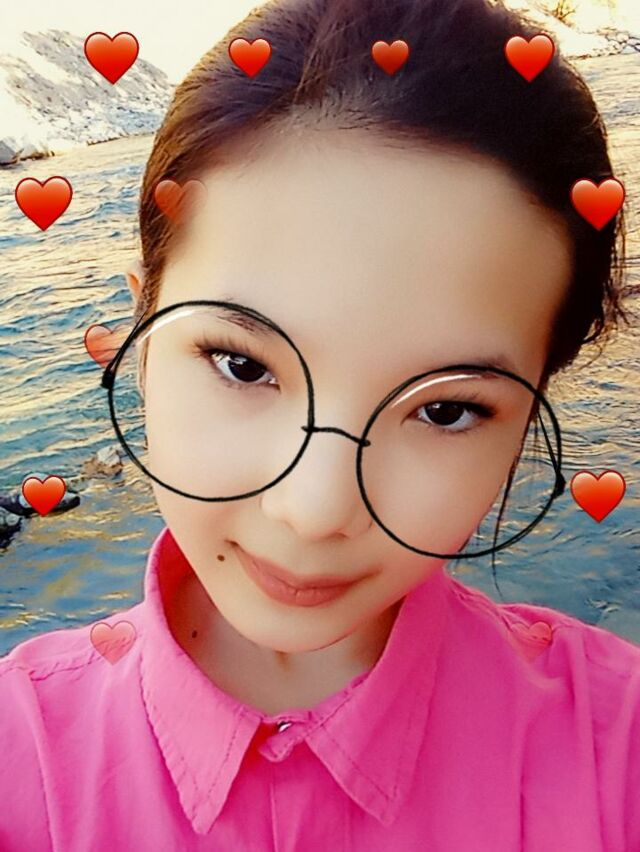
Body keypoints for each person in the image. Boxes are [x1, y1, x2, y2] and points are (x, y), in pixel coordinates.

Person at [1, 0, 638, 848]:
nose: (313, 511)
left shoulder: (616, 752)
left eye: (445, 410)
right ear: (140, 335)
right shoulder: (20, 761)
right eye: (243, 365)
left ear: (531, 409)